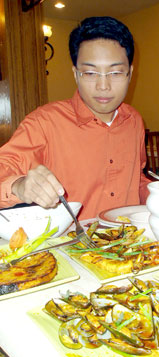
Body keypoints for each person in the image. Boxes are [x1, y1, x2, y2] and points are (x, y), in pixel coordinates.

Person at [0, 16, 150, 220]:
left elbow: (136, 179)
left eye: (115, 73)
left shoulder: (134, 121)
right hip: (69, 247)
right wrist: (19, 185)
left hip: (129, 243)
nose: (103, 86)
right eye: (90, 73)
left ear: (130, 74)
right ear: (75, 74)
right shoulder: (44, 123)